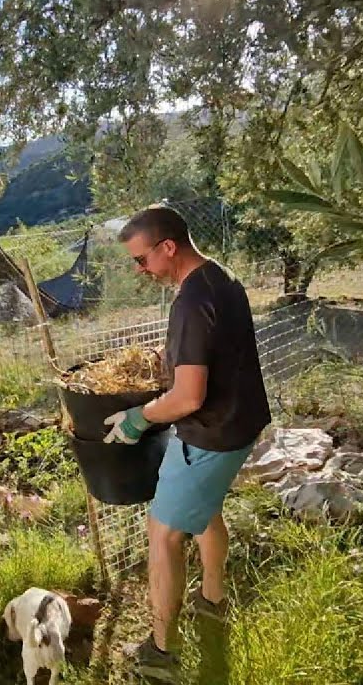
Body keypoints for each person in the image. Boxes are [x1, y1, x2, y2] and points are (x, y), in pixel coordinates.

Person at [103, 203, 272, 682]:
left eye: (142, 260)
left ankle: (161, 653)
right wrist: (168, 354)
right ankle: (212, 601)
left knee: (163, 535)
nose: (141, 270)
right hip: (240, 423)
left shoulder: (191, 302)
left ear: (168, 247)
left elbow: (187, 396)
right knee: (206, 510)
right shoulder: (223, 278)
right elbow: (216, 351)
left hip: (210, 434)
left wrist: (138, 417)